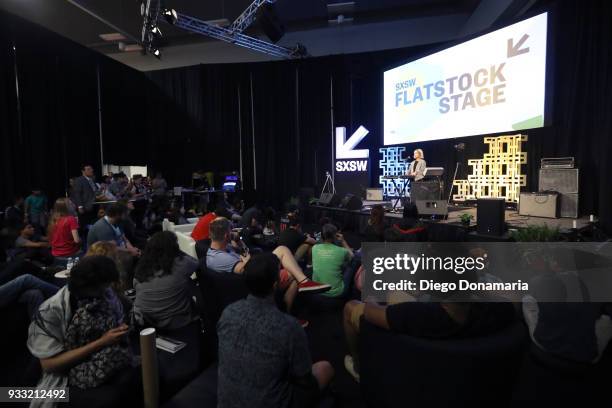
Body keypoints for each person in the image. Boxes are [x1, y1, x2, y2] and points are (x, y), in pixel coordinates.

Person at [217, 252, 334, 408]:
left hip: (227, 402)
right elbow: (304, 378)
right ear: (275, 284)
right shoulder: (289, 326)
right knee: (325, 368)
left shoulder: (228, 312)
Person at [27, 256, 132, 406]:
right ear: (90, 287)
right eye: (103, 287)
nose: (106, 291)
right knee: (109, 399)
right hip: (62, 374)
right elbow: (50, 365)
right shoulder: (50, 311)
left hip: (97, 362)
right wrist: (102, 342)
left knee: (131, 378)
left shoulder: (103, 295)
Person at [342, 295, 515, 383]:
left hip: (412, 359)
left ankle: (359, 367)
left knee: (351, 306)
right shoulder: (498, 311)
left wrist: (371, 301)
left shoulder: (416, 315)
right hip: (472, 378)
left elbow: (372, 313)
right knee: (396, 295)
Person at [206, 217, 330, 293]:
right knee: (286, 260)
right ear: (226, 235)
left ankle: (300, 287)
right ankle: (304, 281)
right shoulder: (221, 258)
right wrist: (247, 259)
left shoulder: (221, 247)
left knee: (290, 267)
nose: (233, 232)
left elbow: (245, 251)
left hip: (252, 267)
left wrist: (239, 241)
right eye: (230, 231)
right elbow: (247, 270)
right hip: (255, 280)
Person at [133, 231, 199, 330]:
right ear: (174, 247)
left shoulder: (141, 268)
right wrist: (178, 251)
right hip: (177, 323)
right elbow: (195, 262)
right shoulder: (181, 265)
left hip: (146, 323)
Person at [311, 224, 354, 297]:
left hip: (316, 289)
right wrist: (343, 241)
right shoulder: (342, 251)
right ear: (335, 236)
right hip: (336, 292)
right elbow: (352, 256)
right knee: (352, 264)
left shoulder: (314, 248)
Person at [71, 164, 98, 229]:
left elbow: (94, 192)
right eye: (88, 169)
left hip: (93, 205)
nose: (91, 170)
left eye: (91, 169)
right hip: (85, 207)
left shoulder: (91, 180)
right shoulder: (79, 180)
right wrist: (80, 206)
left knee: (92, 225)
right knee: (84, 226)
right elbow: (77, 194)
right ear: (83, 171)